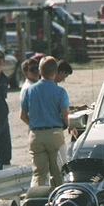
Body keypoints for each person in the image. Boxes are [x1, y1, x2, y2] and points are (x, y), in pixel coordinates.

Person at [19, 56, 75, 187]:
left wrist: (34, 125)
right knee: (58, 172)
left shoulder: (29, 90)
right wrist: (72, 127)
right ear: (55, 72)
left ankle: (36, 197)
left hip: (36, 135)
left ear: (40, 71)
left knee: (38, 173)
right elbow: (66, 115)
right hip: (54, 133)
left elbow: (22, 116)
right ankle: (58, 195)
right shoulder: (60, 91)